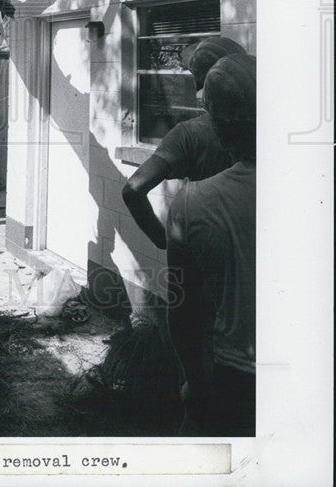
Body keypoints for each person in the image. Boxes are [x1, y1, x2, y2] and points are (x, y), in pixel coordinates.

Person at [165, 52, 256, 436]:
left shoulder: (190, 201)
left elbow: (183, 311)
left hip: (236, 373)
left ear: (218, 124)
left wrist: (195, 383)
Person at [122, 36, 246, 248]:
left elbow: (132, 189)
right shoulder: (261, 126)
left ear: (198, 82)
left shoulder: (188, 133)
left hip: (205, 244)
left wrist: (163, 240)